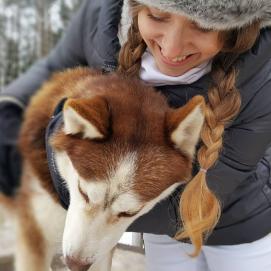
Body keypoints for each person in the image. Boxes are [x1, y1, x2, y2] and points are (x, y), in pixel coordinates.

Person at [1, 0, 271, 270]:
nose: (172, 47)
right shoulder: (102, 19)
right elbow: (54, 67)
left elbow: (218, 183)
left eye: (201, 25)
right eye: (157, 16)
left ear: (236, 28)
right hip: (164, 234)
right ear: (135, 7)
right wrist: (9, 107)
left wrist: (56, 176)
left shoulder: (262, 72)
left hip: (240, 227)